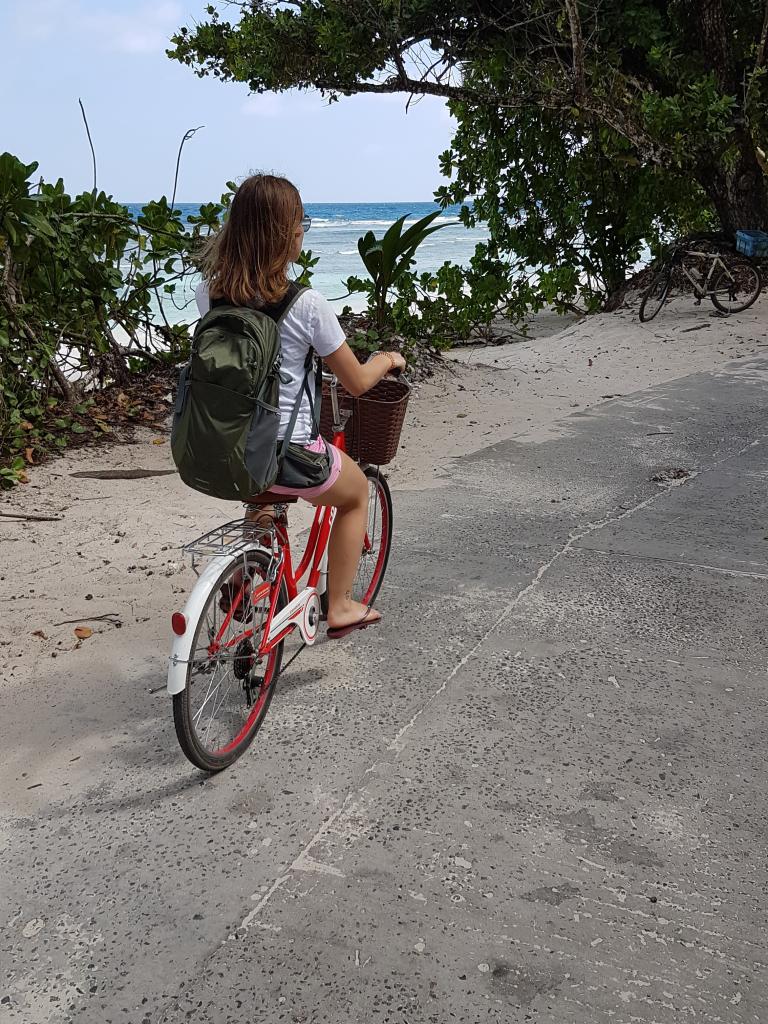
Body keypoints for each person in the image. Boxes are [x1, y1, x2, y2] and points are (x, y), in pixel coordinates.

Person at [195, 173, 406, 638]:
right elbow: (354, 382)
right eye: (299, 223)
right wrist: (385, 359)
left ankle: (248, 576)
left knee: (266, 497)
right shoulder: (305, 304)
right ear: (283, 234)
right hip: (289, 451)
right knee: (353, 496)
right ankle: (344, 606)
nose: (301, 231)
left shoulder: (209, 294)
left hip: (229, 446)